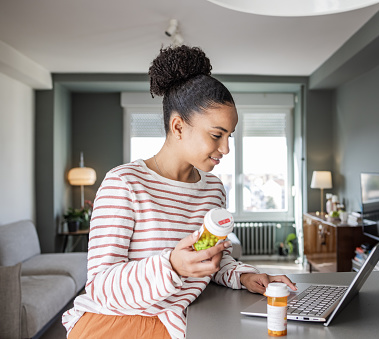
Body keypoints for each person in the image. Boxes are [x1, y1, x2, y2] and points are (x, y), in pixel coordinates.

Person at [62, 45, 297, 339]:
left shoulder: (213, 190)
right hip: (117, 321)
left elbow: (211, 257)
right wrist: (171, 266)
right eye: (216, 135)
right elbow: (101, 284)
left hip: (181, 318)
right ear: (178, 127)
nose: (225, 149)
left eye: (229, 136)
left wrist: (245, 276)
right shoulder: (124, 184)